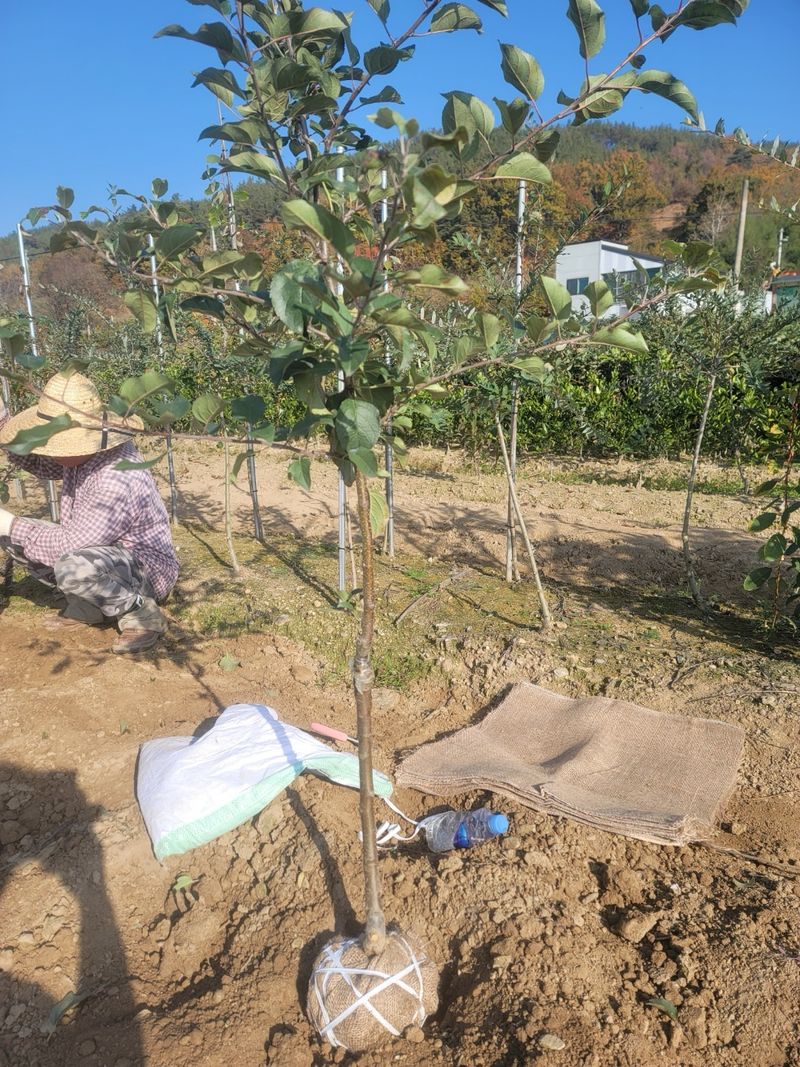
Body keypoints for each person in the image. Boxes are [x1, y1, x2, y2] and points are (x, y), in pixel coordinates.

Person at [0, 369, 179, 654]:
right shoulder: (87, 454)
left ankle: (142, 613)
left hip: (145, 570)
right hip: (102, 556)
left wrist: (10, 523)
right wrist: (3, 426)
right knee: (17, 539)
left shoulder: (115, 479)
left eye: (53, 444)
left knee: (70, 563)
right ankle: (91, 606)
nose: (47, 450)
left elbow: (69, 546)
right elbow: (44, 466)